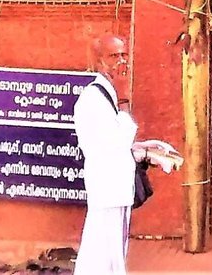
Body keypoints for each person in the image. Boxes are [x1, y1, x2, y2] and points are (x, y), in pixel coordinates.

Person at [73, 35, 137, 275]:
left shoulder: (106, 93)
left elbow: (117, 142)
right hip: (107, 188)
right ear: (99, 62)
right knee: (101, 257)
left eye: (124, 55)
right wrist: (123, 98)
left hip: (117, 189)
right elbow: (118, 140)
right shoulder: (93, 98)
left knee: (109, 256)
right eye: (114, 56)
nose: (121, 61)